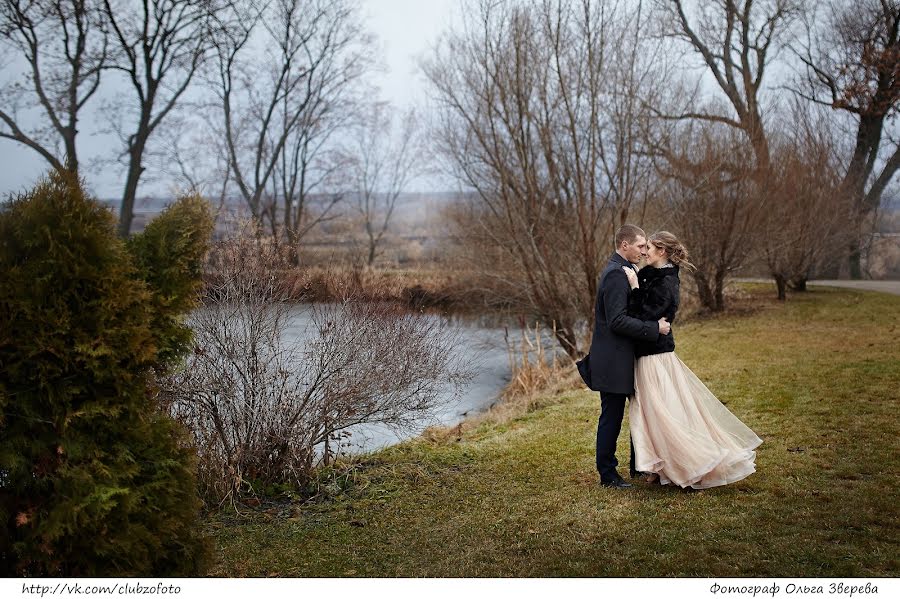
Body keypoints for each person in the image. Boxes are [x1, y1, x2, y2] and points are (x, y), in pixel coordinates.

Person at [624, 231, 762, 489]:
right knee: (652, 411)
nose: (644, 252)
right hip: (647, 351)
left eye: (649, 247)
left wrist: (633, 288)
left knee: (660, 410)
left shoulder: (666, 281)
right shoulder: (649, 274)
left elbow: (644, 313)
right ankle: (659, 466)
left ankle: (690, 461)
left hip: (655, 354)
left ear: (662, 251)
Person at [586, 224, 671, 489]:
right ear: (624, 245)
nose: (644, 251)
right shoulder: (615, 274)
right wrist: (654, 328)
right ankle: (608, 475)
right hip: (612, 359)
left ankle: (639, 465)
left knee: (637, 411)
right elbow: (617, 321)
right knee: (612, 415)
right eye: (640, 246)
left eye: (647, 247)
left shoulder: (628, 271)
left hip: (625, 357)